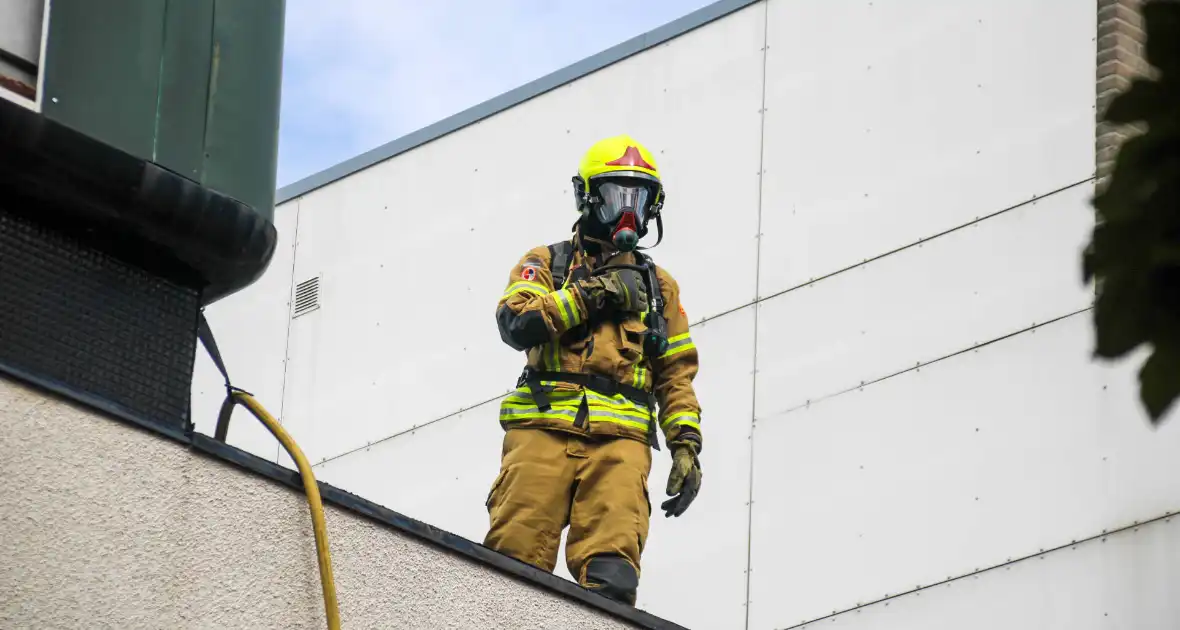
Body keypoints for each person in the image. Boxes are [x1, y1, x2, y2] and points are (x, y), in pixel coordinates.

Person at [483, 134, 703, 606]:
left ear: (653, 207)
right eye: (616, 195)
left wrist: (686, 444)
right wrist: (592, 294)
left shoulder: (660, 289)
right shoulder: (549, 262)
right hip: (542, 430)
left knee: (612, 578)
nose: (628, 212)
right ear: (587, 196)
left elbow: (676, 374)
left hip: (620, 448)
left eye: (638, 199)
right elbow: (516, 324)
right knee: (511, 567)